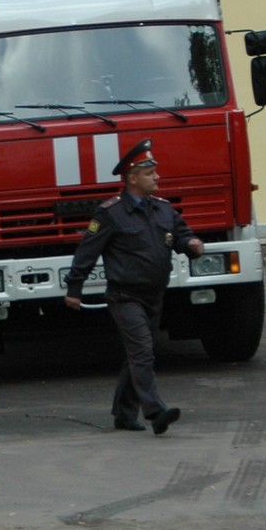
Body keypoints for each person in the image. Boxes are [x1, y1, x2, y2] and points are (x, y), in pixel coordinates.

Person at [64, 139, 204, 436]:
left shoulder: (164, 209)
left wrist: (192, 244)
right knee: (142, 352)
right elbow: (87, 251)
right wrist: (74, 288)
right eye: (150, 173)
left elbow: (181, 235)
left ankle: (124, 414)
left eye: (156, 172)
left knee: (139, 353)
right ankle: (155, 411)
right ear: (132, 177)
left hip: (154, 294)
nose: (157, 177)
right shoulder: (110, 213)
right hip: (124, 296)